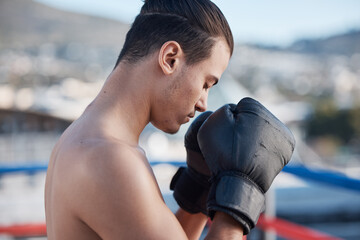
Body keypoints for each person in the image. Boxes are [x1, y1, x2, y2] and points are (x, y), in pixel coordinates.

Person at [45, 0, 295, 239]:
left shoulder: (81, 137)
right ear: (170, 58)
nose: (203, 104)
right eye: (206, 83)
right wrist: (237, 204)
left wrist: (200, 185)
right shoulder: (110, 159)